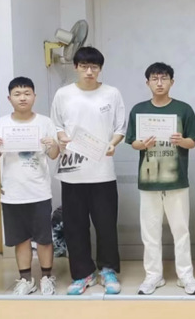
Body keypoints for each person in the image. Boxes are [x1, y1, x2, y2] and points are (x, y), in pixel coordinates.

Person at [50, 46, 126, 295]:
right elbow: (56, 124)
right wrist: (62, 137)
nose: (89, 71)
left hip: (103, 171)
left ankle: (108, 270)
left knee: (106, 224)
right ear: (76, 67)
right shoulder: (63, 94)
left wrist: (113, 144)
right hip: (72, 171)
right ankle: (82, 274)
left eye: (94, 67)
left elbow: (120, 127)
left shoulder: (111, 93)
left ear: (100, 68)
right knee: (75, 225)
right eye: (84, 66)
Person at [125, 62, 195, 295]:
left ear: (172, 82)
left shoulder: (184, 109)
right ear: (147, 82)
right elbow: (133, 142)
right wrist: (142, 144)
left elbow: (192, 142)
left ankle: (186, 276)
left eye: (164, 78)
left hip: (176, 180)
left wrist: (181, 141)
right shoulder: (138, 110)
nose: (159, 83)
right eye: (155, 79)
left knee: (181, 230)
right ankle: (153, 276)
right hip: (149, 180)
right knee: (150, 232)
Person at [0, 77, 60, 295]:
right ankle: (26, 279)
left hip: (39, 190)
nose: (22, 98)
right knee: (21, 239)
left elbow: (54, 155)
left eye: (27, 93)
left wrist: (53, 145)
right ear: (9, 98)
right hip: (12, 192)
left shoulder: (45, 122)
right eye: (17, 94)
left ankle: (47, 277)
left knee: (44, 238)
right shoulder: (0, 124)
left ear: (34, 97)